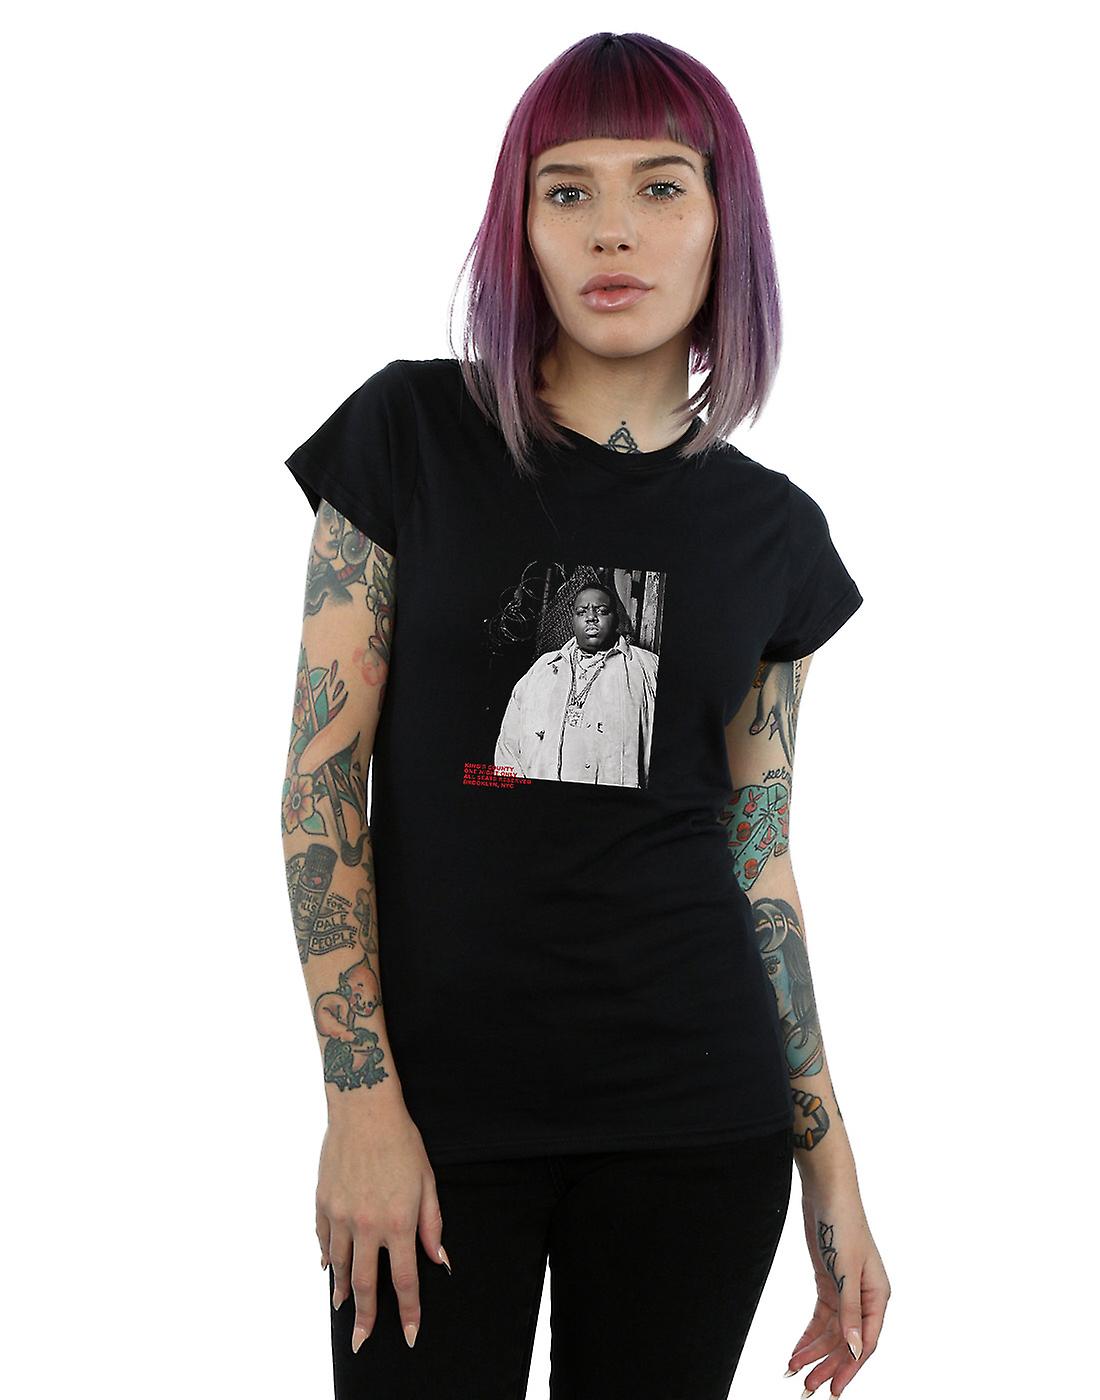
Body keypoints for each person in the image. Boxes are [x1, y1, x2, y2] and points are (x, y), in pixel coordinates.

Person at [280, 30, 891, 1400]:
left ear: (726, 224)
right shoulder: (408, 436)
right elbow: (321, 790)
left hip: (697, 1120)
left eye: (661, 186)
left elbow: (758, 859)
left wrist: (833, 1169)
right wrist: (360, 1102)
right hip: (434, 1122)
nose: (614, 228)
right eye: (568, 190)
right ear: (524, 229)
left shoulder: (775, 536)